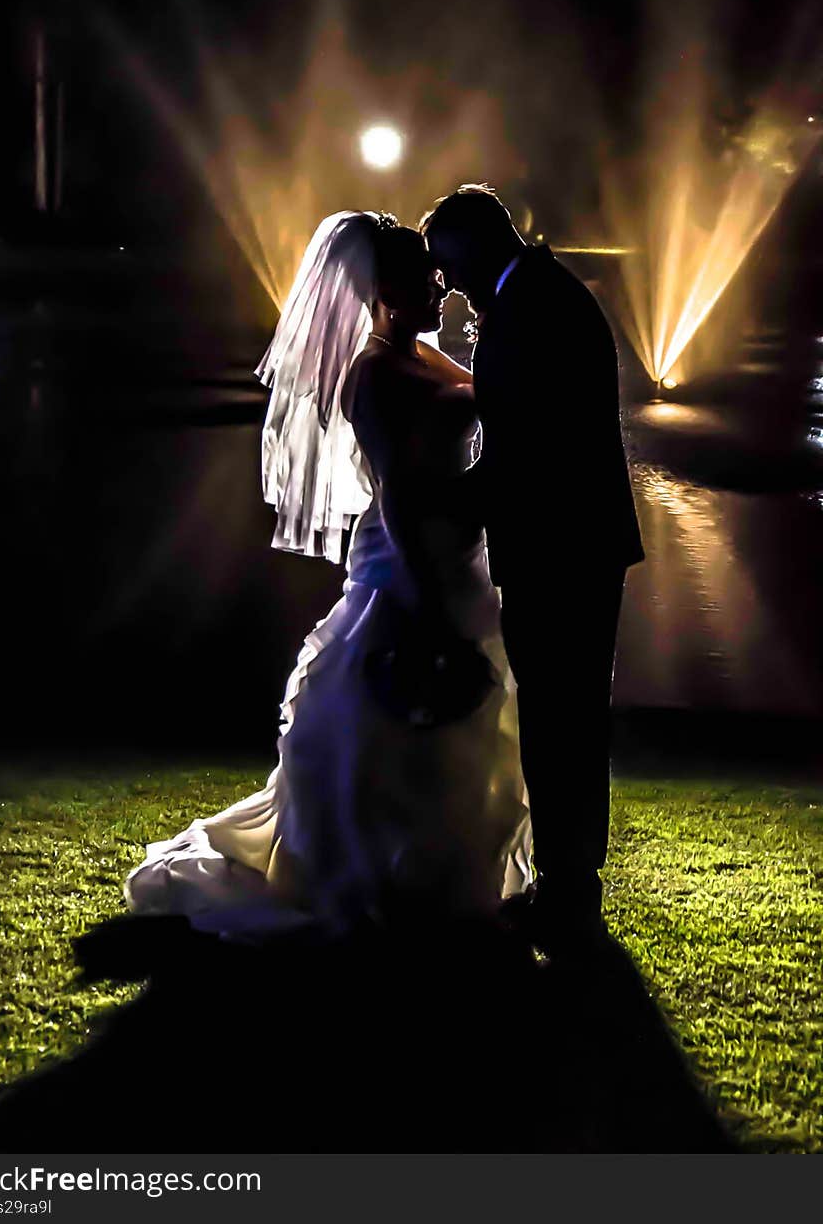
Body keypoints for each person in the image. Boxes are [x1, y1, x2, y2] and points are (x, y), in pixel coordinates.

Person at [125, 211, 531, 939]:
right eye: (425, 279)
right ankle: (373, 874)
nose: (441, 288)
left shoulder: (425, 356)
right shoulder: (373, 375)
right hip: (411, 563)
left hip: (458, 553)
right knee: (392, 711)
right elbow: (402, 496)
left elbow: (489, 396)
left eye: (439, 276)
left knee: (458, 723)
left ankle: (441, 875)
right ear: (385, 290)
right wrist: (430, 597)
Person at [421, 185, 644, 952]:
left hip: (561, 550)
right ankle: (570, 888)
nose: (448, 286)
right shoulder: (544, 295)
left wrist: (440, 505)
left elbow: (525, 451)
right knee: (567, 722)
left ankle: (570, 895)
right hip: (576, 543)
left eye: (448, 266)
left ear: (476, 246)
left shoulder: (530, 311)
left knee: (561, 722)